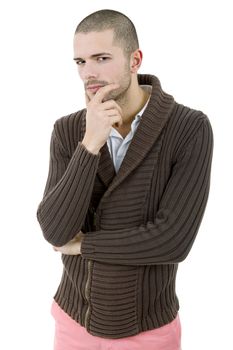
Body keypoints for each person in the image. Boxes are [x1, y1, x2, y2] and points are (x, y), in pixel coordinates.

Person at [36, 9, 213, 350]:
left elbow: (174, 240)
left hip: (146, 330)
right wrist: (90, 144)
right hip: (73, 321)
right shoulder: (68, 130)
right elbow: (55, 232)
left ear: (135, 60)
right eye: (80, 61)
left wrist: (84, 245)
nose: (88, 73)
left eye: (101, 58)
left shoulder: (189, 128)